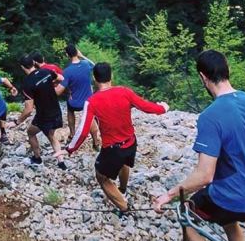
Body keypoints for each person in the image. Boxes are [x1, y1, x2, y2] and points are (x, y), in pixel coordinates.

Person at [153, 50, 245, 241]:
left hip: (235, 196)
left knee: (187, 214)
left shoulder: (210, 117)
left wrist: (169, 195)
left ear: (203, 78)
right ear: (228, 71)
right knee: (228, 219)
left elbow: (204, 176)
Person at [55, 62, 168, 215]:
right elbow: (145, 106)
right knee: (124, 163)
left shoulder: (92, 101)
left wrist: (69, 149)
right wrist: (163, 108)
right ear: (111, 76)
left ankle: (124, 208)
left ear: (95, 78)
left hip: (112, 149)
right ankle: (122, 188)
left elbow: (83, 130)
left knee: (101, 176)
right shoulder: (124, 91)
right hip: (131, 143)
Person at [12, 55, 67, 170]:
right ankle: (61, 162)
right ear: (33, 63)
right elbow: (61, 78)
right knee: (51, 135)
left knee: (30, 132)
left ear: (22, 67)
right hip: (56, 111)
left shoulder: (27, 84)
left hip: (44, 116)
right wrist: (51, 83)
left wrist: (17, 122)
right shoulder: (46, 71)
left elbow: (28, 109)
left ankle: (37, 158)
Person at [55, 44, 101, 149]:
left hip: (75, 103)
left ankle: (72, 133)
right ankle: (95, 142)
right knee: (91, 118)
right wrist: (82, 56)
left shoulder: (67, 71)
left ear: (67, 55)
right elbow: (95, 65)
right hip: (88, 102)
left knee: (69, 107)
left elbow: (59, 90)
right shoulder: (86, 64)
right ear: (77, 52)